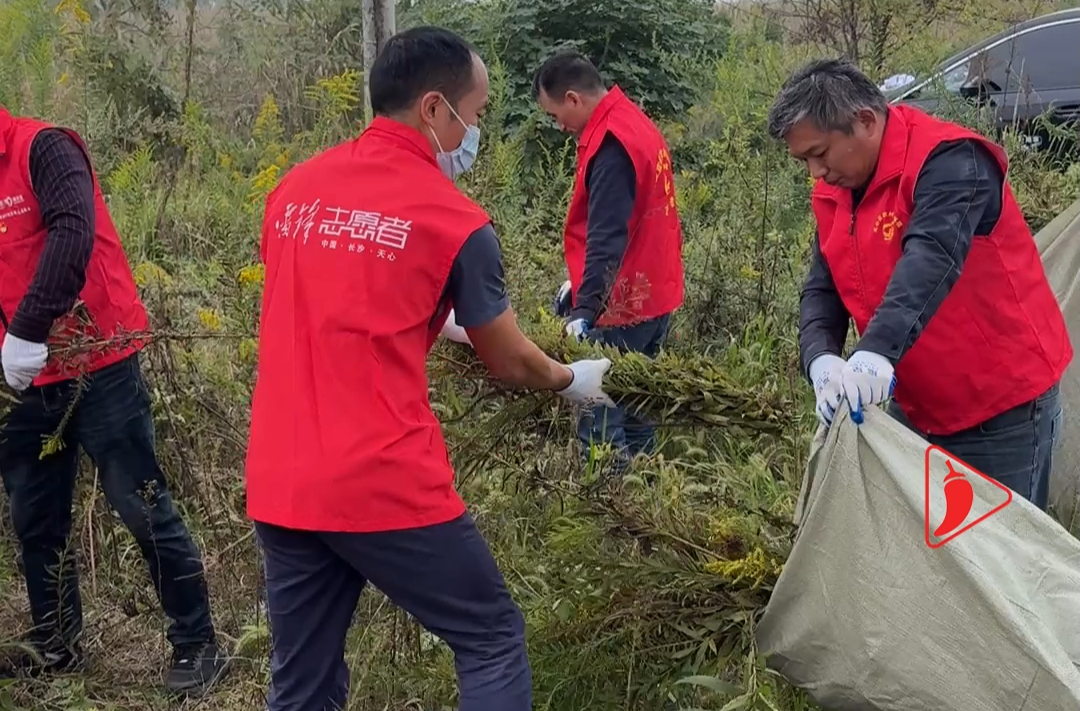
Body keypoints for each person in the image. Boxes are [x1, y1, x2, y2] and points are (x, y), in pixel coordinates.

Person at [244, 26, 614, 711]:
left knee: (303, 682)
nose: (475, 132)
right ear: (435, 109)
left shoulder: (294, 190)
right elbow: (508, 358)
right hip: (378, 477)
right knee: (490, 635)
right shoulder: (455, 220)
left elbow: (331, 294)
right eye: (475, 115)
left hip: (282, 473)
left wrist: (434, 318)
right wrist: (570, 379)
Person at [767, 58, 1072, 510]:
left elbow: (931, 257)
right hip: (916, 404)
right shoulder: (836, 190)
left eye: (820, 153)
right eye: (804, 161)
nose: (815, 173)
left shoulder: (950, 161)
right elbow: (822, 287)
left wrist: (875, 353)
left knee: (999, 565)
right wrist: (821, 359)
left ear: (865, 121)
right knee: (925, 556)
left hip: (1000, 406)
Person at [0, 108, 228, 692]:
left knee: (141, 505)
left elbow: (73, 233)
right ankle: (56, 645)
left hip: (98, 362)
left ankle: (197, 645)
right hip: (24, 380)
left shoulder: (41, 149)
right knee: (36, 519)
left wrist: (27, 328)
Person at [533, 50, 685, 465]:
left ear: (572, 99)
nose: (560, 126)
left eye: (555, 115)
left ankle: (611, 510)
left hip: (623, 305)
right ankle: (647, 500)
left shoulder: (611, 145)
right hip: (655, 294)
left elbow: (606, 235)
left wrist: (585, 308)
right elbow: (636, 219)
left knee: (598, 412)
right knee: (637, 404)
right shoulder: (632, 122)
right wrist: (578, 280)